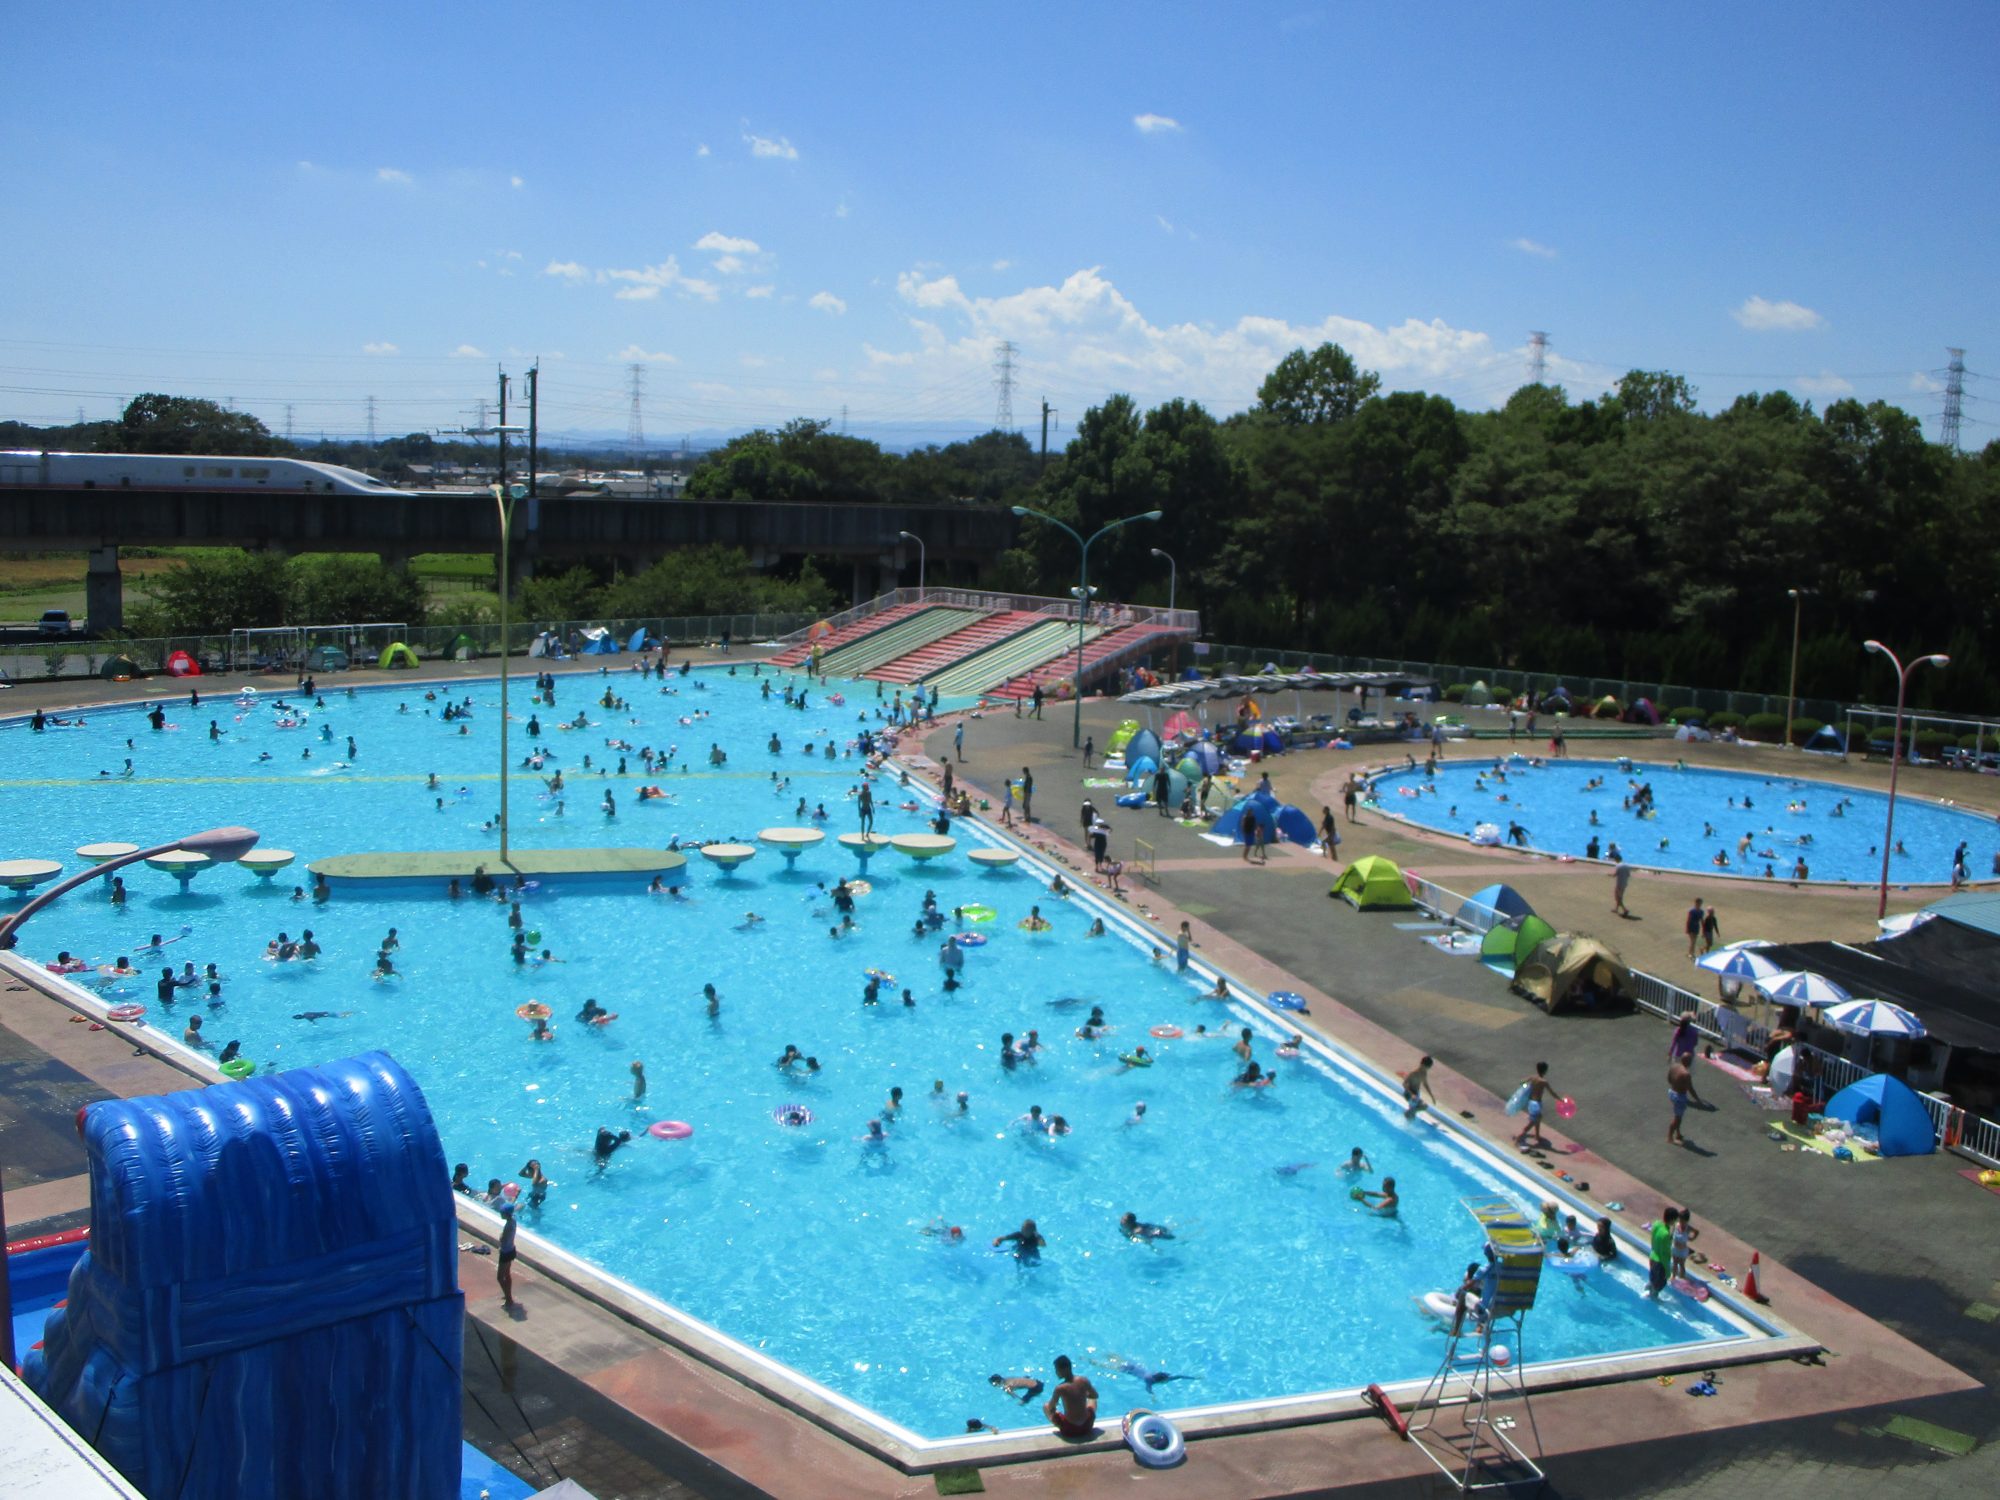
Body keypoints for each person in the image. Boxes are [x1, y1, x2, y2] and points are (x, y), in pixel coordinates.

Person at [1043, 1354, 1098, 1438]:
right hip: (1087, 1426)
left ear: (1065, 1369)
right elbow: (1095, 1396)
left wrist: (1054, 1408)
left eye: (1057, 1370)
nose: (1056, 1372)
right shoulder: (1084, 1380)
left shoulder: (1060, 1388)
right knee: (1092, 1400)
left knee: (1045, 1406)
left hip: (1070, 1429)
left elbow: (1050, 1407)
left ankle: (1059, 1425)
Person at [1515, 1061, 1553, 1149]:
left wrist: (1526, 1087)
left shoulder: (1533, 1078)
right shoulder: (1543, 1082)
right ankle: (1519, 1137)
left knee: (1537, 1120)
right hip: (1537, 1104)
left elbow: (1521, 1082)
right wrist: (1560, 1100)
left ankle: (1537, 1136)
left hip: (1531, 1102)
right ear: (1545, 1071)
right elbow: (1552, 1093)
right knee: (1533, 1121)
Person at [1668, 1015, 1703, 1104]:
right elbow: (1695, 1043)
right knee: (1687, 1077)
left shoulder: (1678, 1030)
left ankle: (1675, 1090)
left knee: (1676, 1074)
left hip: (1678, 1056)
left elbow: (1673, 1043)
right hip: (1689, 1056)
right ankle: (1692, 1096)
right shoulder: (1694, 1031)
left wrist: (1669, 1054)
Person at [1646, 1207, 1674, 1297]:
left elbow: (1653, 1239)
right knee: (1660, 1284)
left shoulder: (1657, 1224)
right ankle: (1653, 1295)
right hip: (1660, 1261)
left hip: (1652, 1256)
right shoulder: (1666, 1234)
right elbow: (1665, 1253)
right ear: (1672, 1220)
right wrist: (1668, 1272)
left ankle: (1649, 1288)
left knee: (1653, 1278)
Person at [497, 1200, 519, 1309]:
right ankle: (508, 1294)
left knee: (500, 1277)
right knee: (507, 1274)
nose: (500, 1214)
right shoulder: (513, 1221)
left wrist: (501, 1236)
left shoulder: (508, 1226)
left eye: (502, 1212)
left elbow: (502, 1239)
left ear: (506, 1214)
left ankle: (509, 1299)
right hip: (511, 1250)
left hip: (505, 1252)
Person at [1667, 1056, 1692, 1145]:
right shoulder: (1686, 1074)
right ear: (1689, 1062)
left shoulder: (1674, 1066)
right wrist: (1698, 1100)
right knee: (1677, 1119)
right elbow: (1690, 1088)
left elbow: (1669, 1079)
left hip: (1671, 1092)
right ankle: (1670, 1137)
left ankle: (1678, 1133)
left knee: (1678, 1116)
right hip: (1680, 1097)